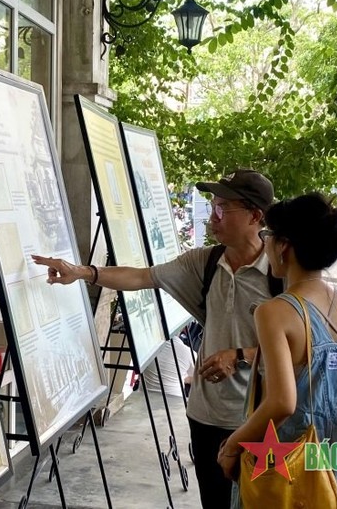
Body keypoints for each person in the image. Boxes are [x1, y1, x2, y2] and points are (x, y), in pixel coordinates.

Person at [33, 168, 276, 509]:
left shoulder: (281, 271)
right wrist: (84, 272)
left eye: (223, 209)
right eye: (212, 206)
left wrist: (241, 355)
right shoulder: (205, 262)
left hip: (260, 419)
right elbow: (143, 276)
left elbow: (303, 348)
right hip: (206, 416)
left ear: (255, 216)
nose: (212, 217)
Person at [217, 193, 337, 509]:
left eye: (267, 237)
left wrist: (232, 445)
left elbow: (282, 402)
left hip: (283, 478)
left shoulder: (275, 312)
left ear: (283, 246)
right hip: (333, 477)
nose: (265, 244)